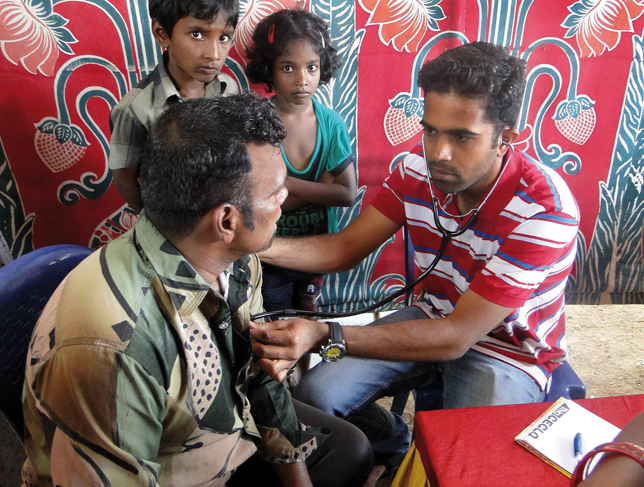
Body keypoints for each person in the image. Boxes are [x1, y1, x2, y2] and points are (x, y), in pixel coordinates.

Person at [250, 42, 580, 472]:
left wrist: (326, 333)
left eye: (461, 136)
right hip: (429, 316)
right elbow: (343, 248)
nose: (438, 153)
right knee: (312, 396)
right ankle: (390, 438)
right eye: (430, 130)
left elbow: (458, 336)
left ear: (505, 140)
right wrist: (255, 245)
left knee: (464, 466)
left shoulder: (545, 210)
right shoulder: (413, 171)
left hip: (506, 350)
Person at [21, 94, 373, 487]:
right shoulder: (112, 348)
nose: (285, 198)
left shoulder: (236, 258)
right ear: (227, 219)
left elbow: (255, 377)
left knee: (349, 451)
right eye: (276, 192)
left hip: (221, 438)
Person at [245, 9, 357, 313]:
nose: (301, 79)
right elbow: (258, 199)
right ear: (268, 69)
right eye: (287, 68)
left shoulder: (332, 125)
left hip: (318, 252)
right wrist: (320, 186)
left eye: (311, 67)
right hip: (271, 254)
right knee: (276, 319)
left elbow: (346, 194)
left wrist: (289, 184)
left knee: (308, 317)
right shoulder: (258, 124)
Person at [108, 0, 240, 213]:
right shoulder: (136, 110)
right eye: (197, 34)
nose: (214, 54)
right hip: (173, 221)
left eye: (223, 37)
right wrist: (155, 221)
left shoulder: (229, 89)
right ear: (162, 34)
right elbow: (124, 180)